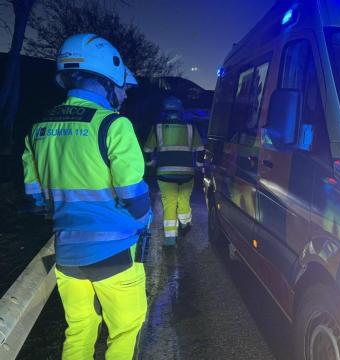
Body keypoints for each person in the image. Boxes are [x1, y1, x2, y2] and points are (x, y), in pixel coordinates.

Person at [22, 33, 151, 359]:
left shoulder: (37, 130)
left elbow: (36, 198)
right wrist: (143, 219)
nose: (123, 96)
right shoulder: (113, 126)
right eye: (121, 87)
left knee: (79, 330)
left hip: (67, 256)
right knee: (125, 331)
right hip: (115, 254)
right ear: (106, 80)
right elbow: (135, 199)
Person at [143, 96, 204, 246]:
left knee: (169, 204)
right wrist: (198, 165)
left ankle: (170, 239)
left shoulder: (157, 128)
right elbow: (201, 150)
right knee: (183, 201)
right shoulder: (190, 128)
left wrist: (151, 164)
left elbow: (147, 150)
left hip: (164, 174)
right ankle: (185, 224)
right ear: (180, 111)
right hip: (187, 173)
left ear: (164, 111)